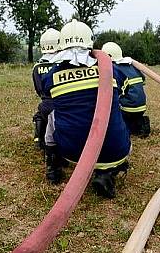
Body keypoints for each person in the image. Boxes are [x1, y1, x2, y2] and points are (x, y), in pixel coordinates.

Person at [42, 20, 131, 198]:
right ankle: (107, 173)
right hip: (116, 150)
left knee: (53, 116)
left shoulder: (51, 76)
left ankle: (54, 165)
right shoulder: (111, 69)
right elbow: (124, 90)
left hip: (72, 153)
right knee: (116, 112)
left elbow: (47, 94)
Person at [100, 41, 151, 137]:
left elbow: (114, 92)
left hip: (127, 109)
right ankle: (141, 123)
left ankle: (127, 127)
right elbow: (143, 80)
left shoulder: (114, 69)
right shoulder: (131, 66)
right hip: (141, 107)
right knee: (133, 119)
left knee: (114, 114)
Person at [32, 28, 60, 149]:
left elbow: (38, 89)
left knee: (40, 114)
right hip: (60, 103)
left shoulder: (37, 66)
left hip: (45, 103)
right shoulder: (60, 65)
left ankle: (38, 138)